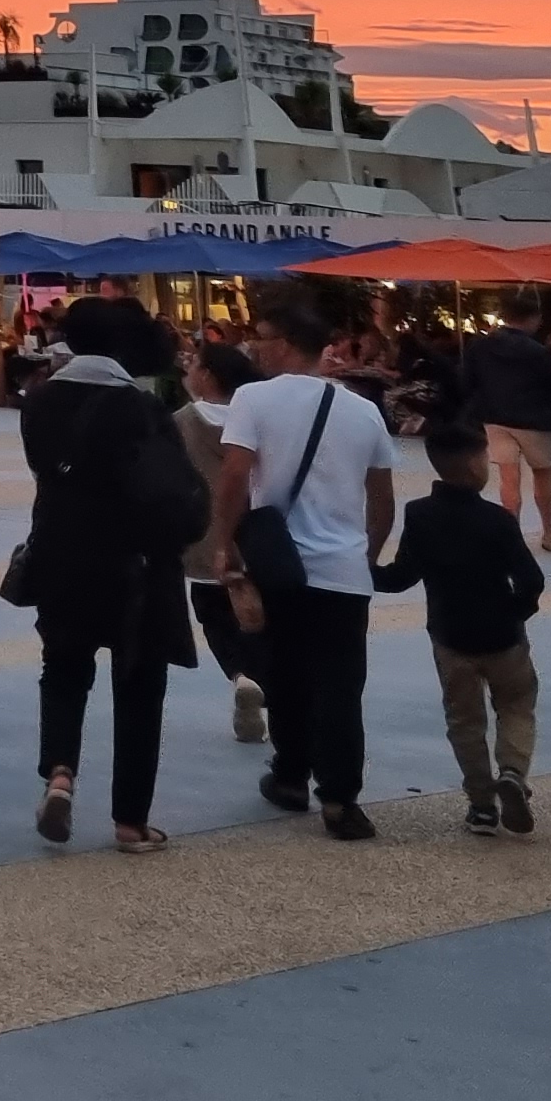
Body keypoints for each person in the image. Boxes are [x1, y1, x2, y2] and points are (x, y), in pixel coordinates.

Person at [211, 287, 400, 841]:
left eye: (262, 339)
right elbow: (382, 499)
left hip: (279, 564)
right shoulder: (364, 410)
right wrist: (366, 554)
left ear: (288, 344)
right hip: (345, 571)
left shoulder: (253, 400)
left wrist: (224, 541)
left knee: (285, 672)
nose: (255, 348)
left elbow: (234, 474)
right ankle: (341, 799)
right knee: (341, 685)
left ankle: (291, 774)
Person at [19, 331, 207, 849]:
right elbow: (172, 487)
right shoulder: (146, 409)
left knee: (63, 669)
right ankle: (130, 821)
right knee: (140, 686)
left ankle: (60, 774)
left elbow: (42, 470)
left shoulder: (39, 403)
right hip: (138, 566)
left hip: (62, 554)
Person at [374, 422, 548, 836]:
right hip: (503, 636)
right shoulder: (498, 520)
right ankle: (512, 771)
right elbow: (532, 579)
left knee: (464, 721)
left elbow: (401, 576)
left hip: (450, 636)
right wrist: (516, 612)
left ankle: (482, 805)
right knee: (516, 704)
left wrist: (363, 571)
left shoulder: (419, 514)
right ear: (474, 465)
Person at [180, 341, 270, 743]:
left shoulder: (181, 422)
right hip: (258, 529)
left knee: (214, 615)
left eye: (193, 365)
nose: (187, 370)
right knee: (260, 616)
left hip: (204, 533)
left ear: (207, 376)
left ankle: (240, 675)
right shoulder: (257, 419)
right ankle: (263, 679)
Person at [461, 291, 551, 552]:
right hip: (534, 420)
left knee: (508, 479)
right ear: (533, 318)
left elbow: (467, 381)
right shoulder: (538, 352)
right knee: (543, 477)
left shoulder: (480, 346)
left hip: (495, 418)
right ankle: (549, 532)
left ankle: (511, 533)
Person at [58, 273, 180, 389]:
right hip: (149, 377)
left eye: (105, 290)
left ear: (120, 291)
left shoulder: (115, 321)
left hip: (121, 377)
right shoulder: (145, 319)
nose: (101, 295)